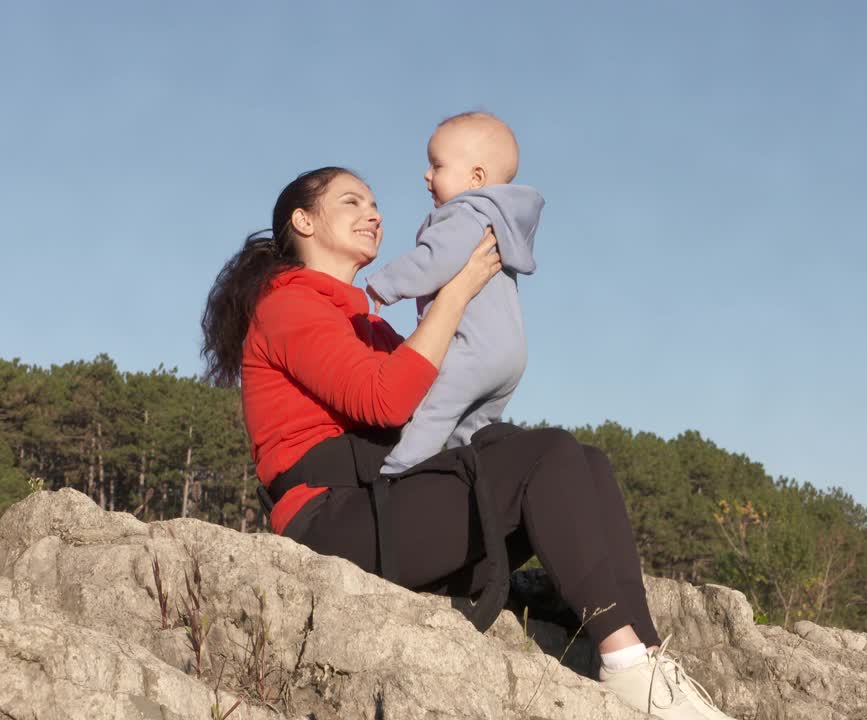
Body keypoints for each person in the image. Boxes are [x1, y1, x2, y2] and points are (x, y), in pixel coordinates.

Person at [200, 167, 734, 719]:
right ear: (304, 221)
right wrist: (457, 293)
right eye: (352, 201)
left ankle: (644, 663)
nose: (375, 213)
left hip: (388, 505)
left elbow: (436, 408)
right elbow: (384, 401)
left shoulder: (369, 325)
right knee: (545, 455)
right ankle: (624, 664)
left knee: (584, 462)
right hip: (333, 522)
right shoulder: (286, 305)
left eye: (377, 203)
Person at [366, 111, 543, 474]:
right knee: (474, 439)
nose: (426, 175)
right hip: (510, 357)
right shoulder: (500, 222)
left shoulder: (464, 213)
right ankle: (478, 494)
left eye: (437, 165)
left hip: (471, 351)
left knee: (431, 413)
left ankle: (397, 475)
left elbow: (435, 261)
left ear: (476, 177)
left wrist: (385, 283)